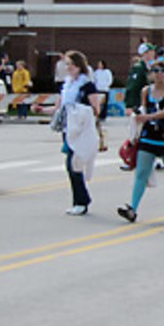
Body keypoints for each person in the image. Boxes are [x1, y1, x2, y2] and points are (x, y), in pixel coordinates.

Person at [117, 58, 164, 223]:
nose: (159, 74)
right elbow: (143, 108)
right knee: (141, 172)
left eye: (162, 71)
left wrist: (146, 117)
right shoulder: (146, 91)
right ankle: (132, 208)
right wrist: (137, 118)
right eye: (155, 71)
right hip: (149, 136)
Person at [58, 50, 101, 216]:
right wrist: (41, 109)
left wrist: (78, 111)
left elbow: (95, 109)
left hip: (82, 131)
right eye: (67, 64)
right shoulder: (66, 85)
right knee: (70, 167)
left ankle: (82, 201)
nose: (68, 68)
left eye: (71, 64)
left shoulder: (87, 85)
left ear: (79, 66)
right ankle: (79, 200)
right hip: (68, 130)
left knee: (74, 165)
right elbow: (59, 108)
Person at [93, 59, 114, 152]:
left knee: (104, 104)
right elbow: (94, 79)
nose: (99, 65)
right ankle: (98, 115)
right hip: (98, 89)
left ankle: (103, 116)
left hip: (105, 89)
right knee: (98, 104)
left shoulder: (107, 72)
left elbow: (110, 80)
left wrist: (107, 85)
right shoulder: (96, 72)